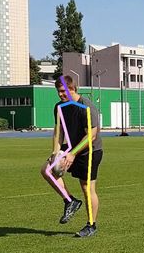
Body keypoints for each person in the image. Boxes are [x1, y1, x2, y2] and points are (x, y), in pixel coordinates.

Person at [39, 75, 103, 238]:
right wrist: (55, 152)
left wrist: (73, 154)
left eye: (63, 91)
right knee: (47, 170)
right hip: (71, 148)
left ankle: (91, 225)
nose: (60, 94)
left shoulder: (86, 106)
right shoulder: (59, 107)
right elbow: (58, 132)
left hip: (89, 150)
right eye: (58, 91)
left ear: (73, 89)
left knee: (87, 188)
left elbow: (92, 135)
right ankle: (70, 201)